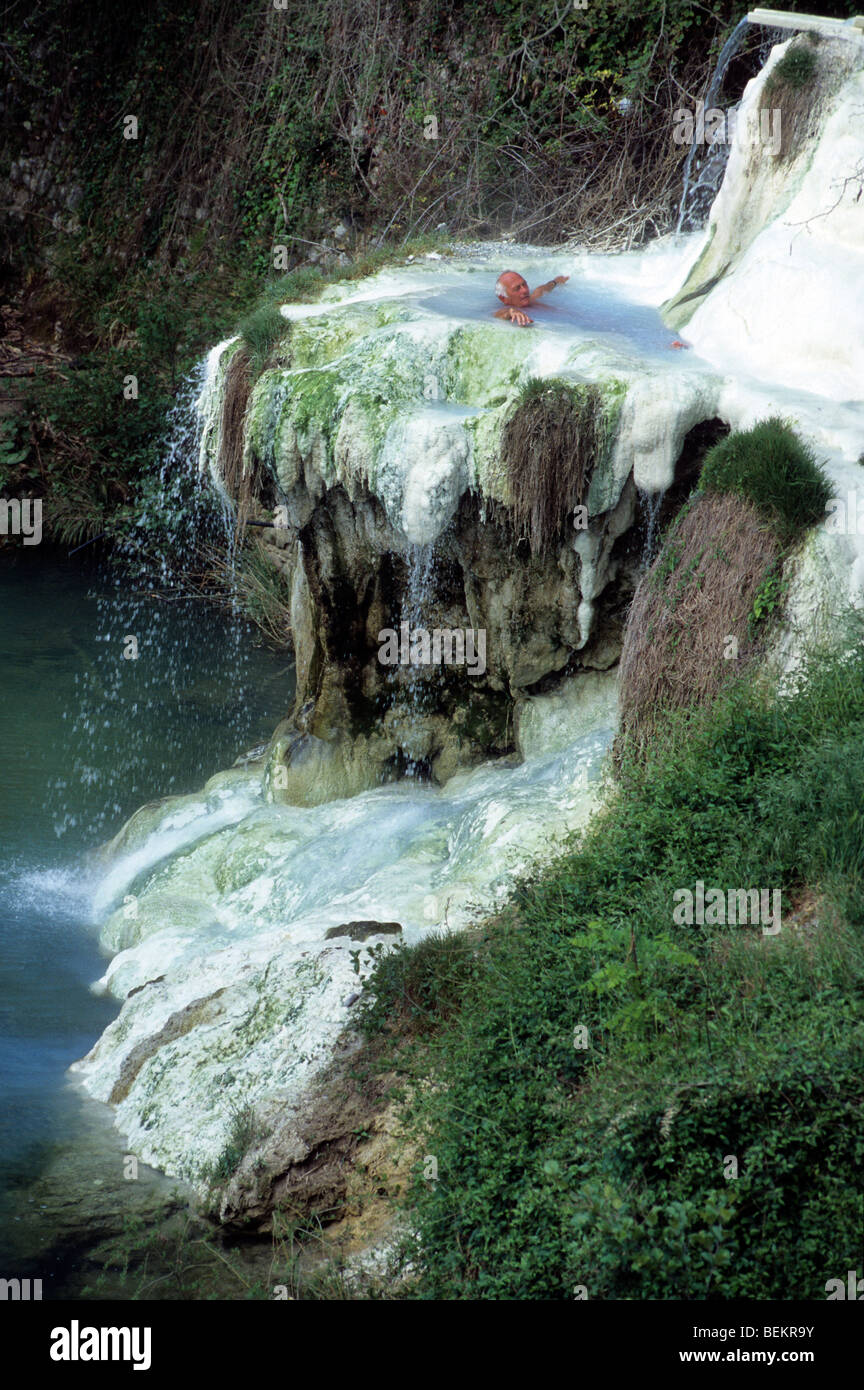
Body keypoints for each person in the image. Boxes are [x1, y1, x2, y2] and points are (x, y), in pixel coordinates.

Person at [493, 270, 569, 325]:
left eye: (524, 284)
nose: (525, 290)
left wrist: (555, 282)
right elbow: (500, 314)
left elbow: (542, 289)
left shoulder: (531, 299)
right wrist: (511, 312)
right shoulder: (504, 310)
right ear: (503, 298)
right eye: (517, 288)